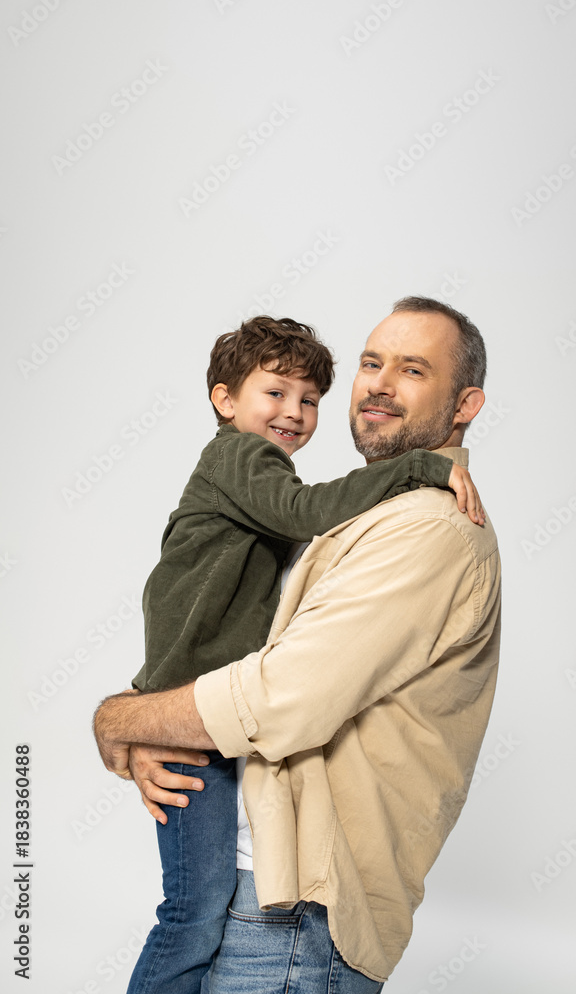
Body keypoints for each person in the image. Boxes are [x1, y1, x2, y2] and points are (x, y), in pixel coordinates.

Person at [94, 296, 501, 994]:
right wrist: (150, 714)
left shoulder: (426, 528)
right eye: (371, 363)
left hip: (291, 917)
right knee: (184, 919)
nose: (379, 383)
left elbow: (282, 698)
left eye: (412, 370)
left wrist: (124, 719)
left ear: (465, 404)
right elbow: (230, 633)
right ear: (224, 399)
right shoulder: (278, 478)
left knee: (184, 919)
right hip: (264, 891)